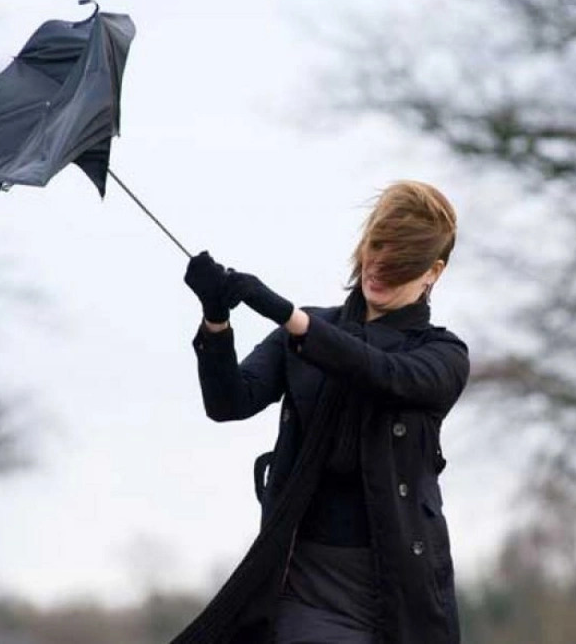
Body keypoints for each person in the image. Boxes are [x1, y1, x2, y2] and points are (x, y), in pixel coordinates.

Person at [175, 181, 470, 644]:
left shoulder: (441, 355)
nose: (379, 270)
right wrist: (216, 319)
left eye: (398, 267)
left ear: (433, 272)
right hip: (304, 579)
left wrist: (290, 318)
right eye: (376, 251)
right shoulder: (311, 330)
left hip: (399, 592)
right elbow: (229, 402)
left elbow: (381, 371)